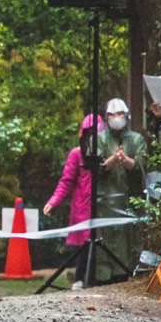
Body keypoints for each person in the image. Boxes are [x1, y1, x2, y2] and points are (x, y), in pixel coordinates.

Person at [43, 115, 100, 290]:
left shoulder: (105, 152)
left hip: (102, 207)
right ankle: (79, 279)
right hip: (82, 208)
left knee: (99, 245)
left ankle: (95, 279)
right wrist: (54, 201)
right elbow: (66, 181)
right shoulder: (76, 154)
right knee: (83, 245)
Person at [94, 98, 147, 282]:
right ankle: (103, 278)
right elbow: (95, 167)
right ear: (106, 117)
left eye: (120, 114)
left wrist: (126, 161)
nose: (116, 118)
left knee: (129, 240)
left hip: (129, 198)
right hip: (105, 201)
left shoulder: (136, 139)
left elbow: (140, 164)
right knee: (106, 240)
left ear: (127, 115)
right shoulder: (98, 139)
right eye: (112, 114)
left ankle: (127, 274)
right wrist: (113, 160)